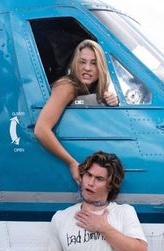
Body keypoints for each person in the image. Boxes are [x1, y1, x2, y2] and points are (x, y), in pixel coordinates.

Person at [41, 151, 148, 251]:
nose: (90, 183)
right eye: (88, 175)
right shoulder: (62, 218)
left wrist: (103, 228)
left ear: (110, 185)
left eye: (99, 179)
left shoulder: (123, 213)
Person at [34, 40, 119, 184]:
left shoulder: (94, 89)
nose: (87, 68)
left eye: (93, 63)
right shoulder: (67, 86)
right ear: (75, 64)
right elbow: (41, 130)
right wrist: (72, 163)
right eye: (82, 62)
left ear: (101, 67)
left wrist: (113, 100)